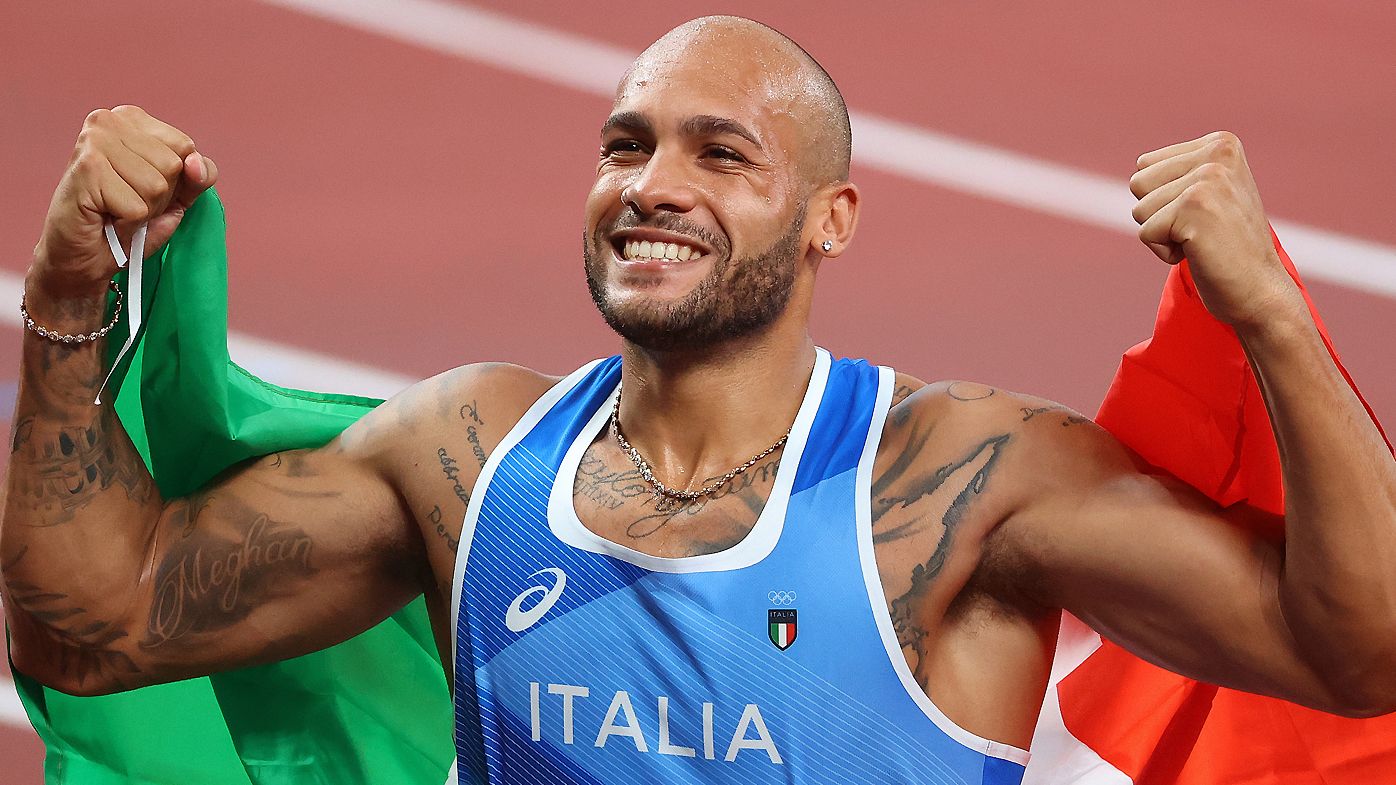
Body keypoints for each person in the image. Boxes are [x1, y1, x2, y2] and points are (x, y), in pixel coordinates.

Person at [3, 15, 1394, 784]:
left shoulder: (959, 486)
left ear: (833, 219)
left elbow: (1359, 656)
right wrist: (67, 297)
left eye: (721, 153)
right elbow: (94, 627)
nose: (651, 183)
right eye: (626, 144)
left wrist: (1266, 312)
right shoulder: (470, 456)